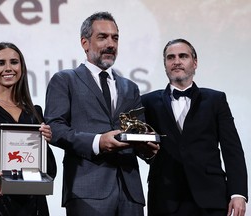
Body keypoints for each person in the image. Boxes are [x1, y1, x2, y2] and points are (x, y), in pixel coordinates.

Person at [44, 11, 159, 216]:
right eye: (102, 37)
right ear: (85, 43)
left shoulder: (130, 87)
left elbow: (137, 132)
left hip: (130, 194)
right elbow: (55, 128)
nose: (111, 44)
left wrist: (147, 149)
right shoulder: (64, 80)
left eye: (115, 38)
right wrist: (97, 142)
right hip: (87, 191)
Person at [141, 38, 248, 216]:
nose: (176, 61)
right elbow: (142, 147)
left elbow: (232, 149)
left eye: (183, 56)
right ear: (165, 65)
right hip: (165, 199)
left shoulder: (216, 100)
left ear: (195, 62)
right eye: (170, 57)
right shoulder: (148, 102)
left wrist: (238, 193)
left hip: (211, 198)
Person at [0, 42, 57, 216]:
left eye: (14, 62)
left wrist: (46, 141)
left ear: (22, 68)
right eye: (1, 63)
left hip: (34, 205)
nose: (8, 68)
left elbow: (49, 170)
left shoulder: (34, 112)